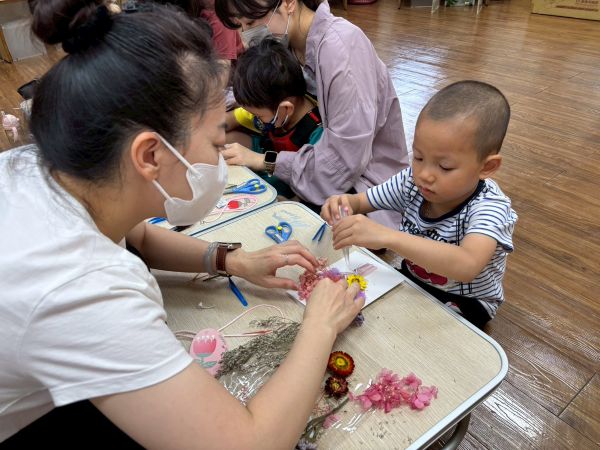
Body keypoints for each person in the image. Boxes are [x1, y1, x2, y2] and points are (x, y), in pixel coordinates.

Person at [0, 2, 364, 447]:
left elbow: (137, 237)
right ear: (150, 155)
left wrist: (231, 260)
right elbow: (248, 444)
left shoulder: (44, 169)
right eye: (215, 142)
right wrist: (320, 325)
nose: (220, 160)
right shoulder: (79, 286)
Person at [321, 81, 518, 329]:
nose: (424, 174)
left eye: (444, 166)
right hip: (414, 278)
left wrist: (386, 236)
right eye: (419, 157)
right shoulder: (411, 182)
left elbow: (467, 265)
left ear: (487, 167)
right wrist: (343, 202)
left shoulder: (490, 207)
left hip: (466, 299)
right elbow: (362, 201)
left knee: (417, 332)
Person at [215, 0, 410, 228]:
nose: (245, 35)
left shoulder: (341, 48)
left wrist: (263, 161)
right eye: (240, 26)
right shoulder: (288, 44)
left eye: (250, 22)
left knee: (287, 220)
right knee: (230, 146)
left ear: (288, 3)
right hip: (310, 163)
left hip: (360, 186)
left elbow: (340, 165)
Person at [224, 38, 323, 201]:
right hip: (268, 155)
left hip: (296, 179)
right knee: (227, 139)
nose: (256, 118)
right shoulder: (269, 106)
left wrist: (291, 203)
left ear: (286, 108)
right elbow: (227, 121)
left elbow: (313, 180)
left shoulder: (317, 132)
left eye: (258, 116)